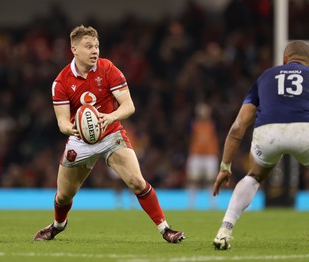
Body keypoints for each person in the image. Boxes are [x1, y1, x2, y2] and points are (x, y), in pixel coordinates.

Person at [33, 25, 185, 243]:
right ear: (74, 49)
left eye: (96, 46)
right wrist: (74, 129)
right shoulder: (61, 81)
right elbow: (62, 122)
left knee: (136, 181)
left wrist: (111, 117)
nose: (95, 51)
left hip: (111, 134)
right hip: (80, 140)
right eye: (88, 46)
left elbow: (129, 106)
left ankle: (165, 229)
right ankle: (58, 225)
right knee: (64, 195)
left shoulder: (107, 68)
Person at [212, 40, 309, 250]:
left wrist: (224, 167)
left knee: (254, 176)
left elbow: (238, 126)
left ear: (284, 60)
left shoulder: (265, 77)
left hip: (268, 132)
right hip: (305, 130)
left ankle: (225, 229)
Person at [186, 103, 219, 209]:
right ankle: (191, 204)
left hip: (210, 155)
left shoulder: (213, 125)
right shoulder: (193, 125)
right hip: (196, 155)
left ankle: (213, 204)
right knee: (193, 179)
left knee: (211, 180)